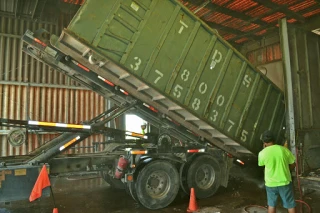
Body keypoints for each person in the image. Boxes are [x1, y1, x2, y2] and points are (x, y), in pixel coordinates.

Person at [258, 130, 296, 213]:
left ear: (264, 142)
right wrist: (287, 169)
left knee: (271, 205)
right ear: (274, 139)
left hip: (270, 183)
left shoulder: (262, 153)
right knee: (290, 205)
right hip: (284, 182)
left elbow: (262, 165)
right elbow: (293, 164)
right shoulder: (283, 150)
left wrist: (265, 150)